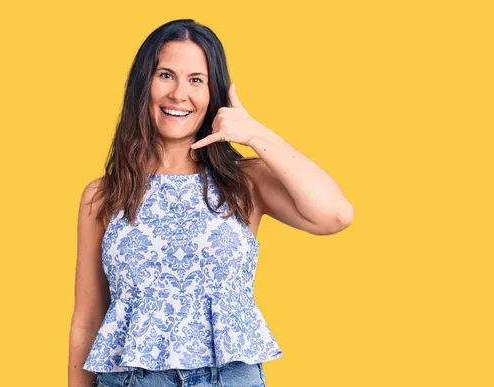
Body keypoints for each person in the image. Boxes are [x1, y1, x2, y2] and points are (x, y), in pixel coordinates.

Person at [68, 18, 354, 387]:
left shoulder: (244, 182)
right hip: (132, 379)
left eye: (196, 80)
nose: (178, 94)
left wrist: (255, 133)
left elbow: (335, 215)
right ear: (144, 85)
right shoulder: (105, 194)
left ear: (212, 93)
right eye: (166, 75)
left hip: (229, 377)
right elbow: (88, 319)